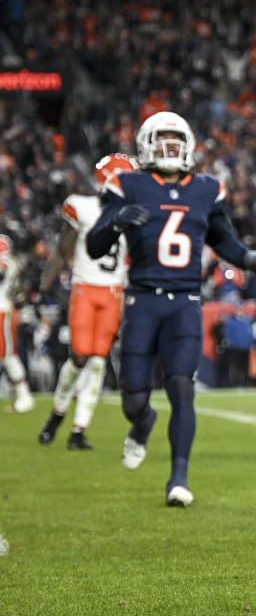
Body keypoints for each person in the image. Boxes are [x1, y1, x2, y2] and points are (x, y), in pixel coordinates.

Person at [86, 111, 256, 506]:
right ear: (145, 145)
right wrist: (116, 221)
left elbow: (225, 241)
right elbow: (93, 245)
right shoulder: (128, 183)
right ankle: (143, 423)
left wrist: (250, 259)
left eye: (177, 140)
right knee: (134, 399)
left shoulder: (206, 188)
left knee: (181, 387)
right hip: (141, 300)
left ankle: (179, 478)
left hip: (185, 302)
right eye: (162, 140)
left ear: (189, 146)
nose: (170, 148)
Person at [37, 154, 138, 449]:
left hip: (113, 292)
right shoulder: (81, 206)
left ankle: (78, 431)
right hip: (85, 288)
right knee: (79, 356)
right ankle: (57, 414)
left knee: (97, 362)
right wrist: (45, 286)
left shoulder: (134, 213)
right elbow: (61, 250)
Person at [0, 234, 34, 413]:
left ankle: (24, 395)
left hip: (2, 312)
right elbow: (19, 296)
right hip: (6, 309)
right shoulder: (13, 263)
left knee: (7, 356)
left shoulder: (7, 264)